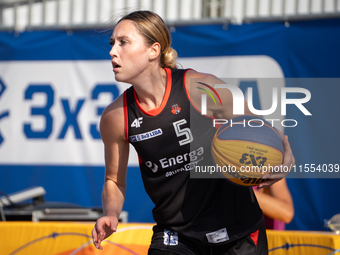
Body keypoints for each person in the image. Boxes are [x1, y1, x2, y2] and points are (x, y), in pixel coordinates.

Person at [92, 10, 295, 255]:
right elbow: (114, 180)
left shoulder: (199, 88)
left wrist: (282, 158)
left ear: (153, 51)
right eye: (112, 43)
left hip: (238, 231)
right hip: (176, 236)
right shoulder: (116, 116)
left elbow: (257, 128)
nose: (113, 51)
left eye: (123, 42)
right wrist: (111, 213)